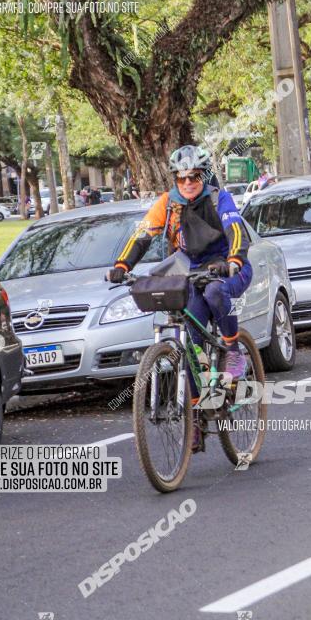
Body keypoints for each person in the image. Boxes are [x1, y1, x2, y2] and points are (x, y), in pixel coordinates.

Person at [107, 145, 252, 447]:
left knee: (214, 292)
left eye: (194, 176)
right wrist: (122, 265)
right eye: (181, 177)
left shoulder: (218, 197)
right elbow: (143, 235)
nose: (188, 183)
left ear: (205, 175)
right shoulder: (167, 203)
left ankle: (232, 349)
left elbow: (236, 230)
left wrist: (233, 261)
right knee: (191, 345)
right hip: (190, 270)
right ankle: (197, 416)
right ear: (174, 178)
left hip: (227, 266)